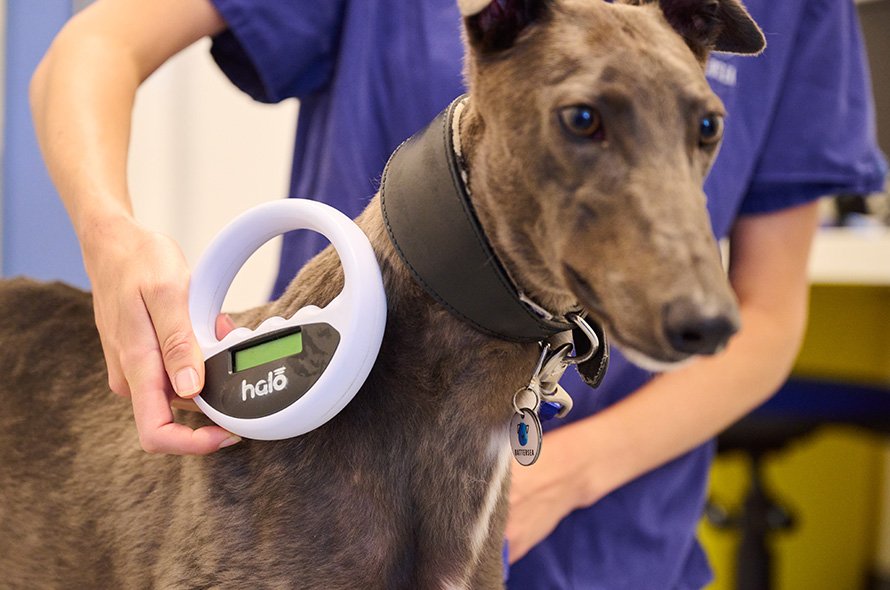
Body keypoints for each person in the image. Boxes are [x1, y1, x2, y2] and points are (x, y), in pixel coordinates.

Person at [30, 0, 886, 588]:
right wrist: (113, 236)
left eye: (704, 129)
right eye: (585, 122)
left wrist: (559, 477)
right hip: (310, 479)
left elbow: (763, 321)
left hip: (614, 541)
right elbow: (96, 44)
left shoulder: (803, 14)